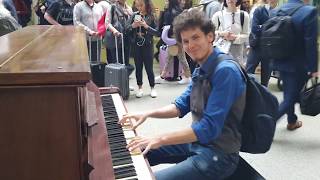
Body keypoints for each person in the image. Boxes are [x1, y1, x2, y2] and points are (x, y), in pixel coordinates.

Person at [120, 9, 246, 180]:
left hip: (219, 155)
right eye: (185, 41)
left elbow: (208, 128)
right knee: (133, 150)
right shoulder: (202, 66)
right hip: (198, 143)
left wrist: (160, 138)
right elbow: (180, 106)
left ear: (210, 37)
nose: (190, 46)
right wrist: (147, 113)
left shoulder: (226, 71)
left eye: (195, 38)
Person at [273, 0, 318, 130]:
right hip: (298, 64)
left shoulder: (277, 11)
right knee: (290, 98)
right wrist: (313, 68)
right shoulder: (309, 12)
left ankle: (292, 121)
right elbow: (310, 43)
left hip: (279, 60)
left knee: (289, 93)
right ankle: (263, 127)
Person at [126, 0, 159, 98]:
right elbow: (126, 29)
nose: (139, 8)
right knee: (138, 68)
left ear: (146, 4)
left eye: (141, 5)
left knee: (149, 68)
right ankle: (140, 88)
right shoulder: (135, 15)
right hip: (136, 45)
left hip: (148, 45)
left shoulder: (152, 15)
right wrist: (133, 26)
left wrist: (146, 26)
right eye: (137, 6)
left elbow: (157, 32)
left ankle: (152, 88)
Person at [245, 0, 278, 87]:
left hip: (270, 49)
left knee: (266, 77)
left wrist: (263, 27)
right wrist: (272, 28)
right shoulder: (259, 10)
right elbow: (255, 28)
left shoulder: (279, 12)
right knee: (248, 72)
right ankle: (248, 92)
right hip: (256, 46)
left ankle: (263, 97)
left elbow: (279, 31)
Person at [211, 0, 250, 65]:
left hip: (237, 53)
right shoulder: (218, 15)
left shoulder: (244, 15)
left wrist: (235, 37)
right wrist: (222, 34)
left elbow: (246, 34)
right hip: (220, 51)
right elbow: (211, 33)